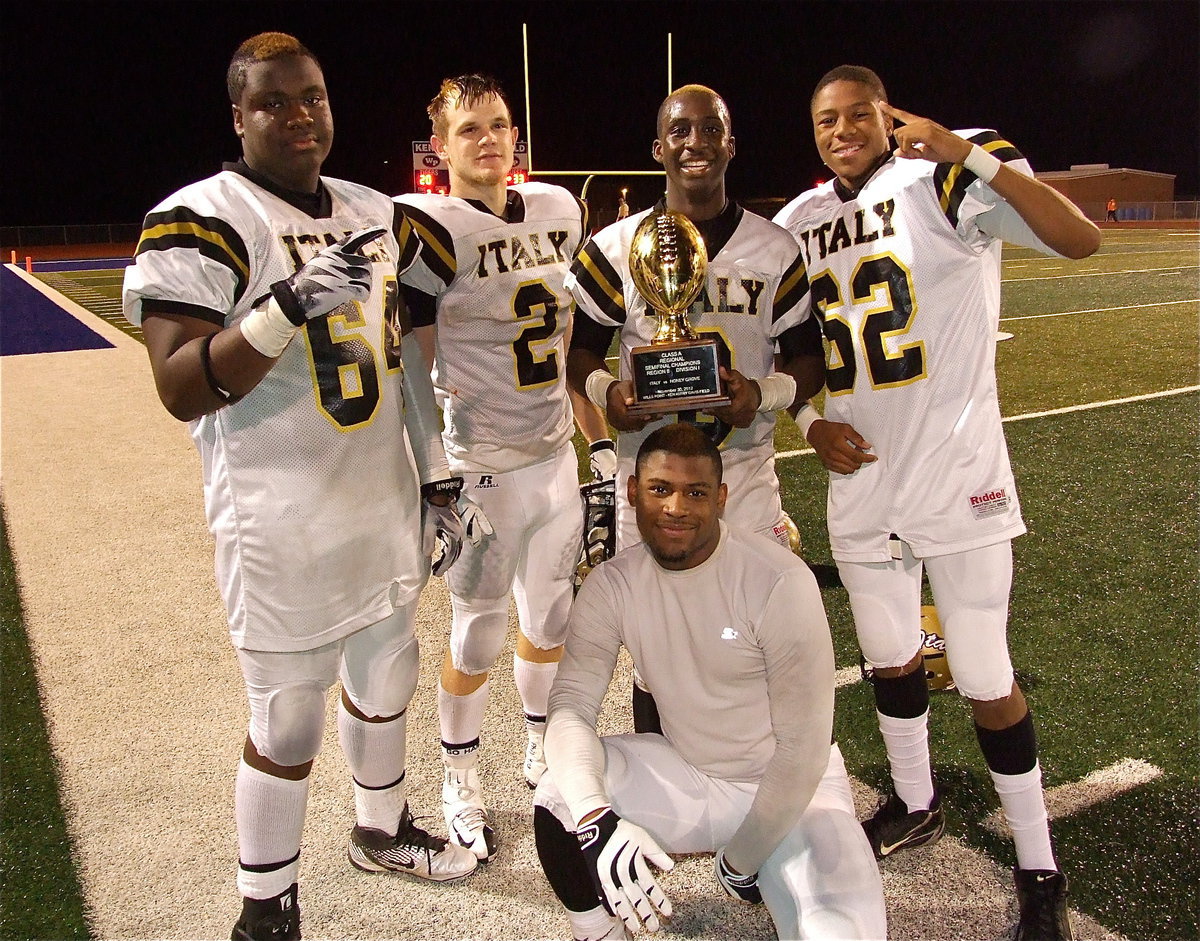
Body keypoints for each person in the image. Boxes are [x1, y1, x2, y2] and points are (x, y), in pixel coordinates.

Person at [121, 33, 479, 941]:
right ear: (238, 116)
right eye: (274, 102)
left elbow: (405, 356)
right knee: (286, 722)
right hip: (278, 517)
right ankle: (265, 906)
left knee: (386, 672)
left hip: (379, 496)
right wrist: (281, 309)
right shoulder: (201, 216)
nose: (300, 115)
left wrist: (437, 477)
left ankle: (380, 825)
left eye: (312, 97)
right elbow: (180, 385)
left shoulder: (371, 208)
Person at [773, 65, 1101, 941]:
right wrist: (806, 421)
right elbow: (788, 348)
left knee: (986, 673)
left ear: (888, 114)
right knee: (889, 657)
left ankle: (1039, 865)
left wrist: (971, 155)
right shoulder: (800, 222)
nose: (840, 130)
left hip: (958, 470)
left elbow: (1081, 241)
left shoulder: (943, 173)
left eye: (856, 115)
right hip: (862, 476)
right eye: (823, 119)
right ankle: (916, 802)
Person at [532, 423, 886, 941]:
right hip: (695, 775)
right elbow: (569, 707)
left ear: (721, 498)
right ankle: (597, 932)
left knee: (843, 935)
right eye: (660, 489)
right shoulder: (613, 584)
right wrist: (596, 818)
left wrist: (740, 863)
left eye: (695, 492)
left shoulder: (778, 580)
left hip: (795, 796)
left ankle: (766, 869)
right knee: (559, 792)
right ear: (632, 491)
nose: (676, 507)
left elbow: (803, 752)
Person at [394, 74, 611, 863]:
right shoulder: (428, 224)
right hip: (482, 465)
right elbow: (413, 363)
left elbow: (572, 339)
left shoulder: (559, 207)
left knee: (550, 622)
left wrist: (597, 444)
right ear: (442, 147)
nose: (488, 140)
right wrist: (434, 470)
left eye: (499, 124)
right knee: (477, 634)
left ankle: (538, 748)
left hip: (552, 456)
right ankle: (460, 779)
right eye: (470, 130)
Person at [564, 85, 824, 728]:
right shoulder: (615, 247)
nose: (695, 143)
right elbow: (579, 356)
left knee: (758, 639)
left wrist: (764, 395)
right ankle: (671, 805)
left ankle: (754, 793)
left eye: (711, 129)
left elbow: (808, 359)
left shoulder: (775, 250)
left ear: (731, 143)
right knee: (659, 654)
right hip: (652, 485)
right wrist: (609, 395)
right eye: (679, 132)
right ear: (658, 148)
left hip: (741, 477)